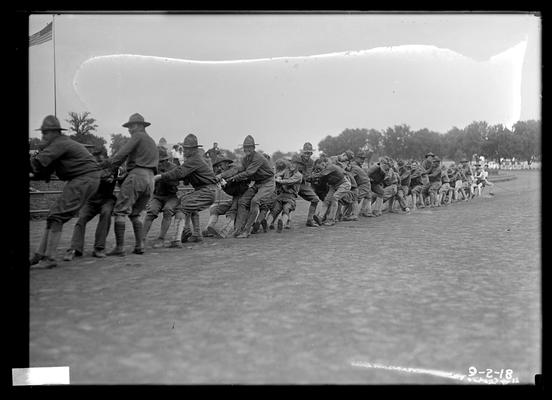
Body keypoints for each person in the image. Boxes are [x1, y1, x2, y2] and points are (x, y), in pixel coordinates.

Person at [29, 115, 101, 269]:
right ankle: (39, 254)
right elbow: (42, 170)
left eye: (46, 133)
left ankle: (49, 258)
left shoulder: (59, 142)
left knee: (56, 216)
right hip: (86, 178)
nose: (43, 136)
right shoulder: (59, 144)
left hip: (84, 178)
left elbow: (36, 162)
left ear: (55, 132)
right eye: (42, 133)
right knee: (52, 215)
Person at [102, 113, 159, 256]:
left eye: (132, 126)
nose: (129, 129)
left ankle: (119, 248)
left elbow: (121, 155)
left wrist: (106, 165)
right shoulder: (152, 141)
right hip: (150, 179)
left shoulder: (137, 136)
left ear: (140, 126)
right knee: (135, 214)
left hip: (137, 176)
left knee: (120, 211)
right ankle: (140, 246)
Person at [154, 133, 218, 247]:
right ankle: (197, 234)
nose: (184, 150)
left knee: (181, 206)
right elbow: (184, 176)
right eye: (184, 148)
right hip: (207, 190)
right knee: (188, 203)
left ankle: (176, 240)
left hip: (207, 190)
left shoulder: (194, 159)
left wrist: (160, 176)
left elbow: (179, 172)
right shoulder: (194, 159)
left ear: (193, 149)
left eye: (187, 148)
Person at [63, 146, 117, 260]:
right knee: (81, 219)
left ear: (106, 158)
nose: (97, 164)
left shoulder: (113, 166)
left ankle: (99, 248)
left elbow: (107, 176)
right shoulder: (90, 167)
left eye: (100, 161)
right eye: (95, 161)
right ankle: (75, 248)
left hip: (106, 199)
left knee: (106, 214)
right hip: (91, 200)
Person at [218, 135, 275, 238]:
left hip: (268, 183)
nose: (247, 149)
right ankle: (238, 230)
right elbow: (237, 169)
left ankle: (247, 230)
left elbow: (248, 172)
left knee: (254, 201)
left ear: (254, 148)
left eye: (250, 147)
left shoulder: (258, 158)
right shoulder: (245, 159)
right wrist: (221, 175)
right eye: (245, 147)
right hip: (258, 183)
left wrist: (232, 179)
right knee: (242, 201)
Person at [142, 146, 181, 248]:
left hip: (171, 196)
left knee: (168, 210)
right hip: (157, 196)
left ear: (166, 159)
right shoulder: (153, 168)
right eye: (158, 161)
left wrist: (162, 177)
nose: (160, 163)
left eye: (162, 161)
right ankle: (141, 238)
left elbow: (176, 182)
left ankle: (161, 238)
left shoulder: (173, 168)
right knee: (151, 211)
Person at [205, 156, 251, 238]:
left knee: (232, 211)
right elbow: (229, 190)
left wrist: (222, 178)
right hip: (236, 197)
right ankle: (208, 228)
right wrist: (222, 184)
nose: (219, 167)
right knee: (214, 209)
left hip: (243, 196)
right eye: (218, 166)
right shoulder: (220, 175)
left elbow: (232, 173)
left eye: (221, 165)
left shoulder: (234, 168)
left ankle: (224, 232)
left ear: (227, 163)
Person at [310, 157, 351, 226]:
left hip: (344, 184)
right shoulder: (324, 170)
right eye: (317, 169)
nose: (318, 170)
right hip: (334, 185)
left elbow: (321, 174)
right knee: (327, 200)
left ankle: (331, 220)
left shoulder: (330, 167)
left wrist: (311, 176)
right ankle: (320, 217)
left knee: (334, 198)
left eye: (319, 168)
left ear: (323, 163)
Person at [270, 158, 302, 232]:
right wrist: (276, 176)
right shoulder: (286, 171)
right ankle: (266, 223)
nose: (292, 165)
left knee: (286, 208)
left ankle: (283, 223)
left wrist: (279, 180)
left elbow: (289, 181)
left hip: (291, 196)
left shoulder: (298, 175)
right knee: (275, 209)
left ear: (298, 166)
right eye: (291, 163)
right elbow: (278, 175)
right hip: (281, 195)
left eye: (294, 164)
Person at [293, 142, 321, 227]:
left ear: (311, 153)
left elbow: (307, 175)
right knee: (286, 202)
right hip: (292, 184)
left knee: (315, 199)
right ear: (302, 152)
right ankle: (274, 221)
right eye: (306, 152)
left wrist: (313, 176)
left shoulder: (311, 162)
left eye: (309, 153)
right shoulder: (295, 159)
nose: (307, 155)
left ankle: (309, 220)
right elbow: (292, 172)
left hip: (302, 185)